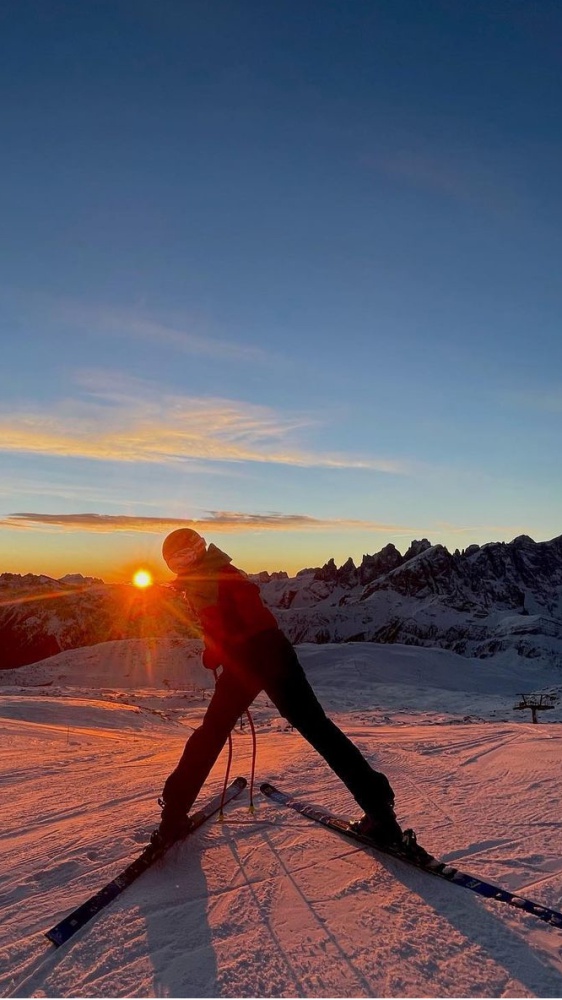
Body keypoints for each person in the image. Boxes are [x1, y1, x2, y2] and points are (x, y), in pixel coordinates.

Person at [156, 528, 403, 846]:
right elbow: (239, 623)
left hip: (252, 660)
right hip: (273, 657)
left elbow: (246, 623)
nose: (182, 564)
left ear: (198, 551)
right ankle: (380, 811)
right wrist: (219, 648)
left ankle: (174, 815)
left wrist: (218, 651)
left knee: (211, 734)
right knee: (317, 728)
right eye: (176, 560)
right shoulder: (213, 574)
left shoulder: (216, 577)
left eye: (185, 556)